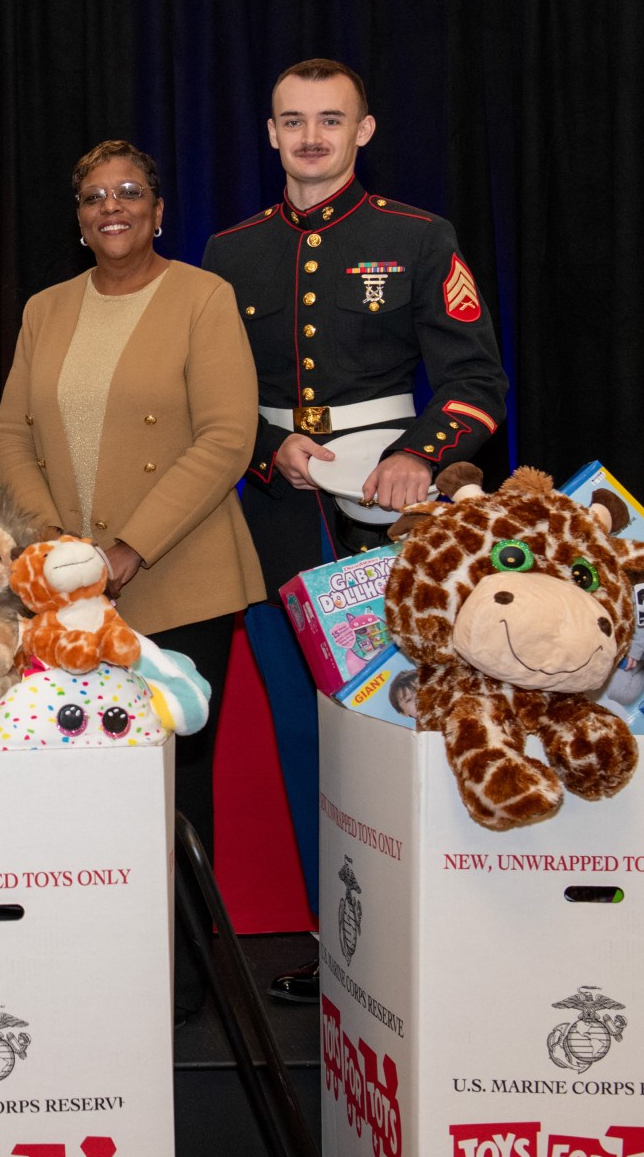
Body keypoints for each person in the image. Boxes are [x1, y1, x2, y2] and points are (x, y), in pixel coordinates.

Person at [201, 58, 508, 1001]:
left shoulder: (418, 237)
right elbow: (204, 396)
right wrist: (266, 449)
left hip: (390, 525)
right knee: (305, 730)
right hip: (277, 521)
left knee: (397, 725)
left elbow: (476, 382)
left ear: (363, 130)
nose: (311, 137)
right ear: (270, 132)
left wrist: (421, 452)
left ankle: (438, 935)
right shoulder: (229, 251)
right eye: (292, 120)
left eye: (330, 120)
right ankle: (340, 947)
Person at [0, 139, 264, 1023]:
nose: (113, 206)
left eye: (130, 192)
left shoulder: (203, 298)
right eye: (95, 195)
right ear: (79, 219)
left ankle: (182, 987)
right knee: (67, 780)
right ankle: (80, 964)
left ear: (157, 210)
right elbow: (10, 438)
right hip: (69, 594)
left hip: (177, 578)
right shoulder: (45, 308)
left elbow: (227, 436)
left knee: (170, 787)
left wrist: (127, 551)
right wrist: (61, 547)